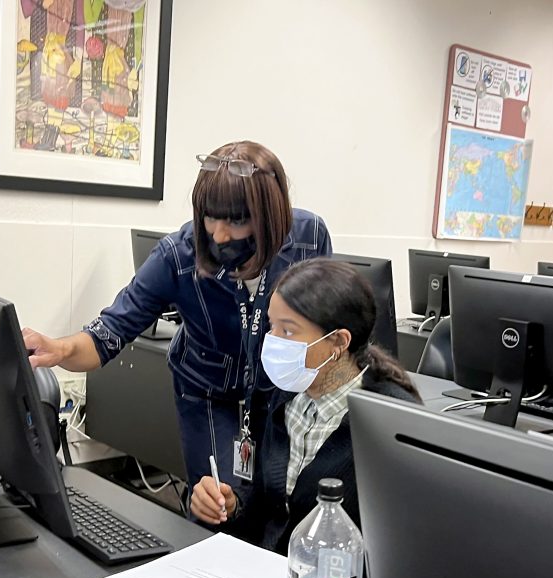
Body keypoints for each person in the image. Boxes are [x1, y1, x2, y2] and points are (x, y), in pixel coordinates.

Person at [22, 141, 332, 494]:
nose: (219, 234)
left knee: (280, 499)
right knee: (219, 504)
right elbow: (107, 334)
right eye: (210, 215)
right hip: (207, 392)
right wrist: (59, 349)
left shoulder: (309, 239)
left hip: (281, 392)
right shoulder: (178, 255)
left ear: (270, 213)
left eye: (237, 219)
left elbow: (328, 319)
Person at [190, 258, 421, 553]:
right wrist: (232, 505)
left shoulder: (390, 421)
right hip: (270, 574)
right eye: (272, 326)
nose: (271, 341)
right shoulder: (288, 394)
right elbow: (267, 505)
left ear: (338, 342)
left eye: (287, 331)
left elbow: (400, 546)